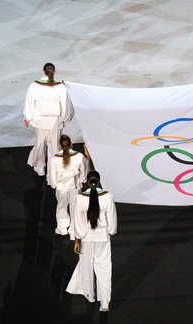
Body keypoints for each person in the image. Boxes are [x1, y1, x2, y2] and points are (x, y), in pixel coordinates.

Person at [66, 171, 117, 312]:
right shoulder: (108, 196)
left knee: (87, 266)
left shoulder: (80, 198)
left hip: (87, 237)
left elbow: (78, 221)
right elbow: (112, 219)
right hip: (103, 237)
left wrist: (77, 239)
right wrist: (111, 231)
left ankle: (90, 295)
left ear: (87, 182)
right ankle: (105, 301)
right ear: (99, 181)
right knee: (104, 269)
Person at [23, 63, 74, 177]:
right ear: (54, 72)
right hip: (55, 121)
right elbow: (65, 105)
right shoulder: (60, 86)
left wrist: (28, 117)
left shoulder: (35, 86)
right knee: (54, 146)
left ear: (43, 72)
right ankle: (53, 169)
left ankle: (40, 167)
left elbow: (30, 102)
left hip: (39, 121)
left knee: (40, 144)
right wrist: (65, 118)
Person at [48, 134, 87, 237]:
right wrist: (81, 180)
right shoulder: (79, 156)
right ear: (71, 144)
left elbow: (52, 174)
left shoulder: (55, 158)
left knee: (61, 207)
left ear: (60, 145)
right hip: (75, 186)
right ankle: (73, 230)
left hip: (61, 187)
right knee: (75, 208)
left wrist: (54, 184)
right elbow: (84, 170)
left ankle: (62, 228)